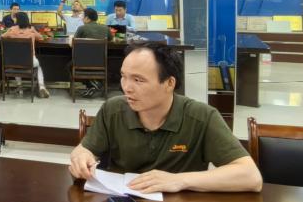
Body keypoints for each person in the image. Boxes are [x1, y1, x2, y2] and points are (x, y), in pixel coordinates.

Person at [69, 44, 262, 194]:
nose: (126, 87)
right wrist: (81, 157)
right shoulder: (113, 109)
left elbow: (251, 177)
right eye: (123, 76)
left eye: (138, 80)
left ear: (169, 83)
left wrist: (179, 180)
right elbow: (85, 149)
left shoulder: (201, 117)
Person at [1, 14, 50, 98]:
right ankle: (41, 87)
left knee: (16, 65)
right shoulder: (31, 30)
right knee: (38, 66)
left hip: (13, 61)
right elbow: (41, 38)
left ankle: (19, 87)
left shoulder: (12, 30)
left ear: (18, 20)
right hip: (29, 62)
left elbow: (2, 37)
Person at [71, 7, 111, 97]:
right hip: (101, 62)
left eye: (82, 16)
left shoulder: (82, 28)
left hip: (82, 63)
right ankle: (94, 84)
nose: (81, 18)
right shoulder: (105, 28)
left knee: (69, 66)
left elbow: (74, 43)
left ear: (87, 18)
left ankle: (92, 84)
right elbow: (110, 39)